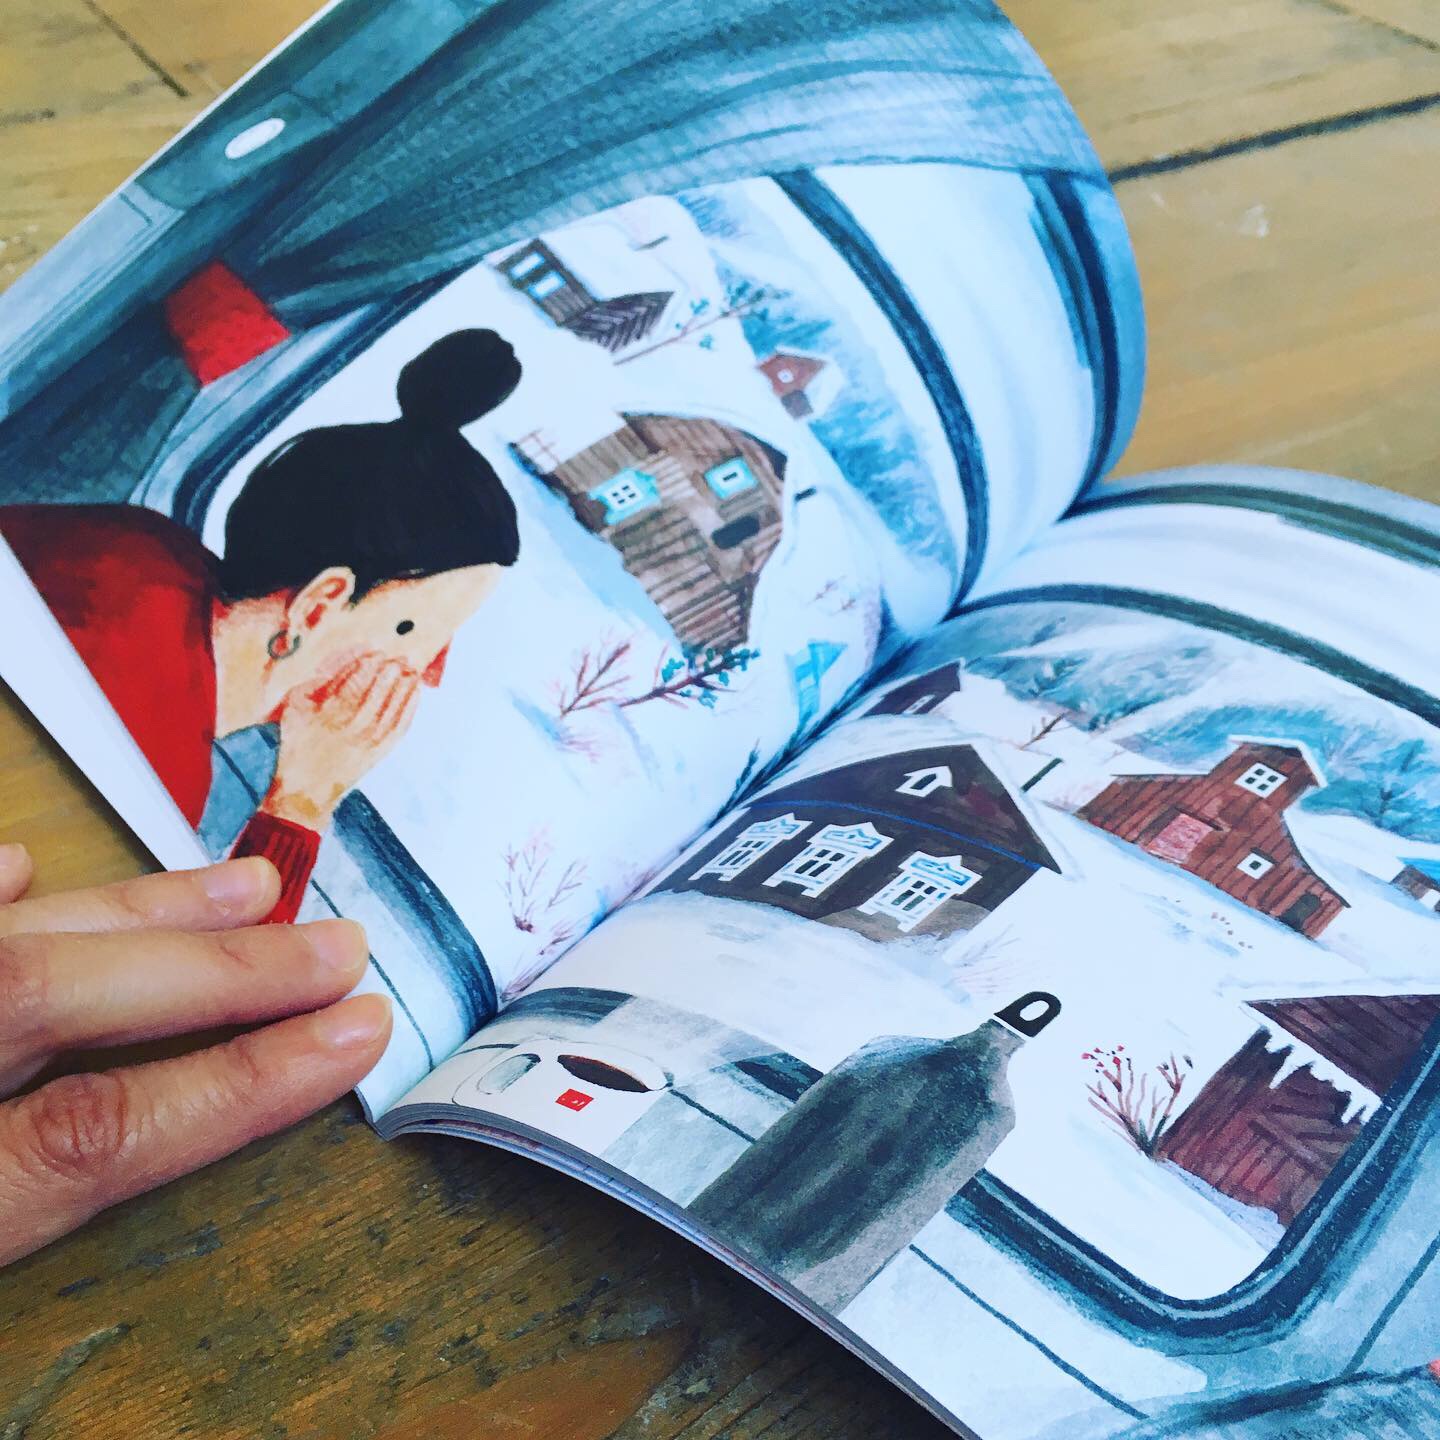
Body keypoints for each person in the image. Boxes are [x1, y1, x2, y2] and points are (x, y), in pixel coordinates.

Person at [0, 328, 523, 923]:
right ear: (318, 606)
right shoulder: (148, 758)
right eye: (414, 631)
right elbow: (215, 970)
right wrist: (302, 803)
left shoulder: (144, 547)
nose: (429, 673)